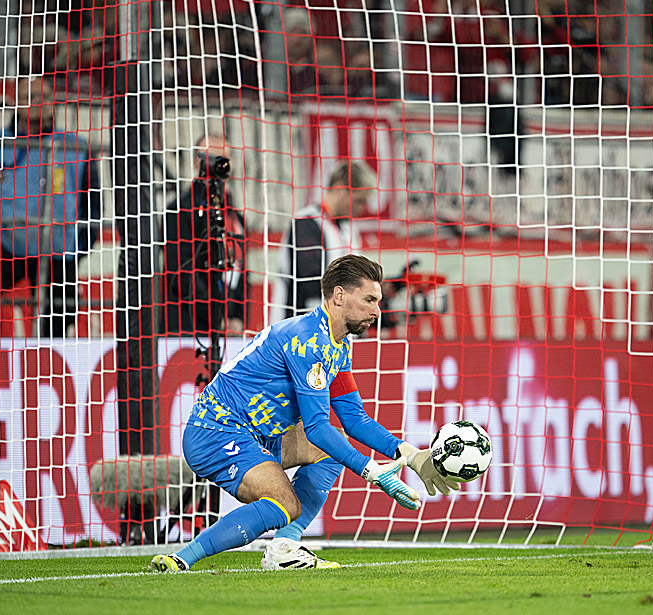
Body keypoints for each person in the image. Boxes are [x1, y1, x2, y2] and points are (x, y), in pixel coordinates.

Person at [149, 255, 457, 573]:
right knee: (286, 502)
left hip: (257, 434)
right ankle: (182, 558)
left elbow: (353, 418)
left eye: (377, 302)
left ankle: (285, 548)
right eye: (368, 300)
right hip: (216, 431)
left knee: (330, 448)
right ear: (339, 296)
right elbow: (316, 427)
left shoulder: (337, 345)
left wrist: (409, 453)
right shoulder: (307, 341)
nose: (376, 311)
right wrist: (372, 471)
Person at [0, 75, 100, 337]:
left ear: (52, 103)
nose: (37, 103)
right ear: (15, 102)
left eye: (44, 97)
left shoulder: (77, 147)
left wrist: (81, 247)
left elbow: (92, 204)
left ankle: (52, 365)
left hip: (58, 248)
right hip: (5, 243)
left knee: (61, 311)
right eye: (28, 97)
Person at [270, 160, 376, 323]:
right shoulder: (306, 223)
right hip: (297, 327)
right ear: (340, 188)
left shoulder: (348, 229)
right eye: (359, 201)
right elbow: (311, 281)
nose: (362, 208)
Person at [163, 134, 247, 336]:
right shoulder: (181, 210)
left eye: (222, 158)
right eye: (210, 156)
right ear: (195, 162)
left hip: (229, 329)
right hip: (189, 327)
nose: (216, 164)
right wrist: (217, 317)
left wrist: (238, 318)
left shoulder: (235, 216)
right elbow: (182, 273)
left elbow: (243, 271)